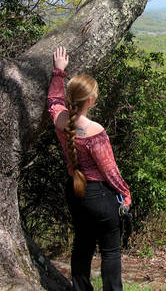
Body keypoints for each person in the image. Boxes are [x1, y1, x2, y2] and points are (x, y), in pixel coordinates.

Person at [47, 46, 131, 291]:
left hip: (75, 190)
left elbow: (53, 101)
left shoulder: (61, 120)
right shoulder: (96, 132)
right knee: (110, 250)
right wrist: (125, 195)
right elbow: (110, 172)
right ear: (91, 100)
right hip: (100, 196)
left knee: (82, 244)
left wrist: (58, 72)